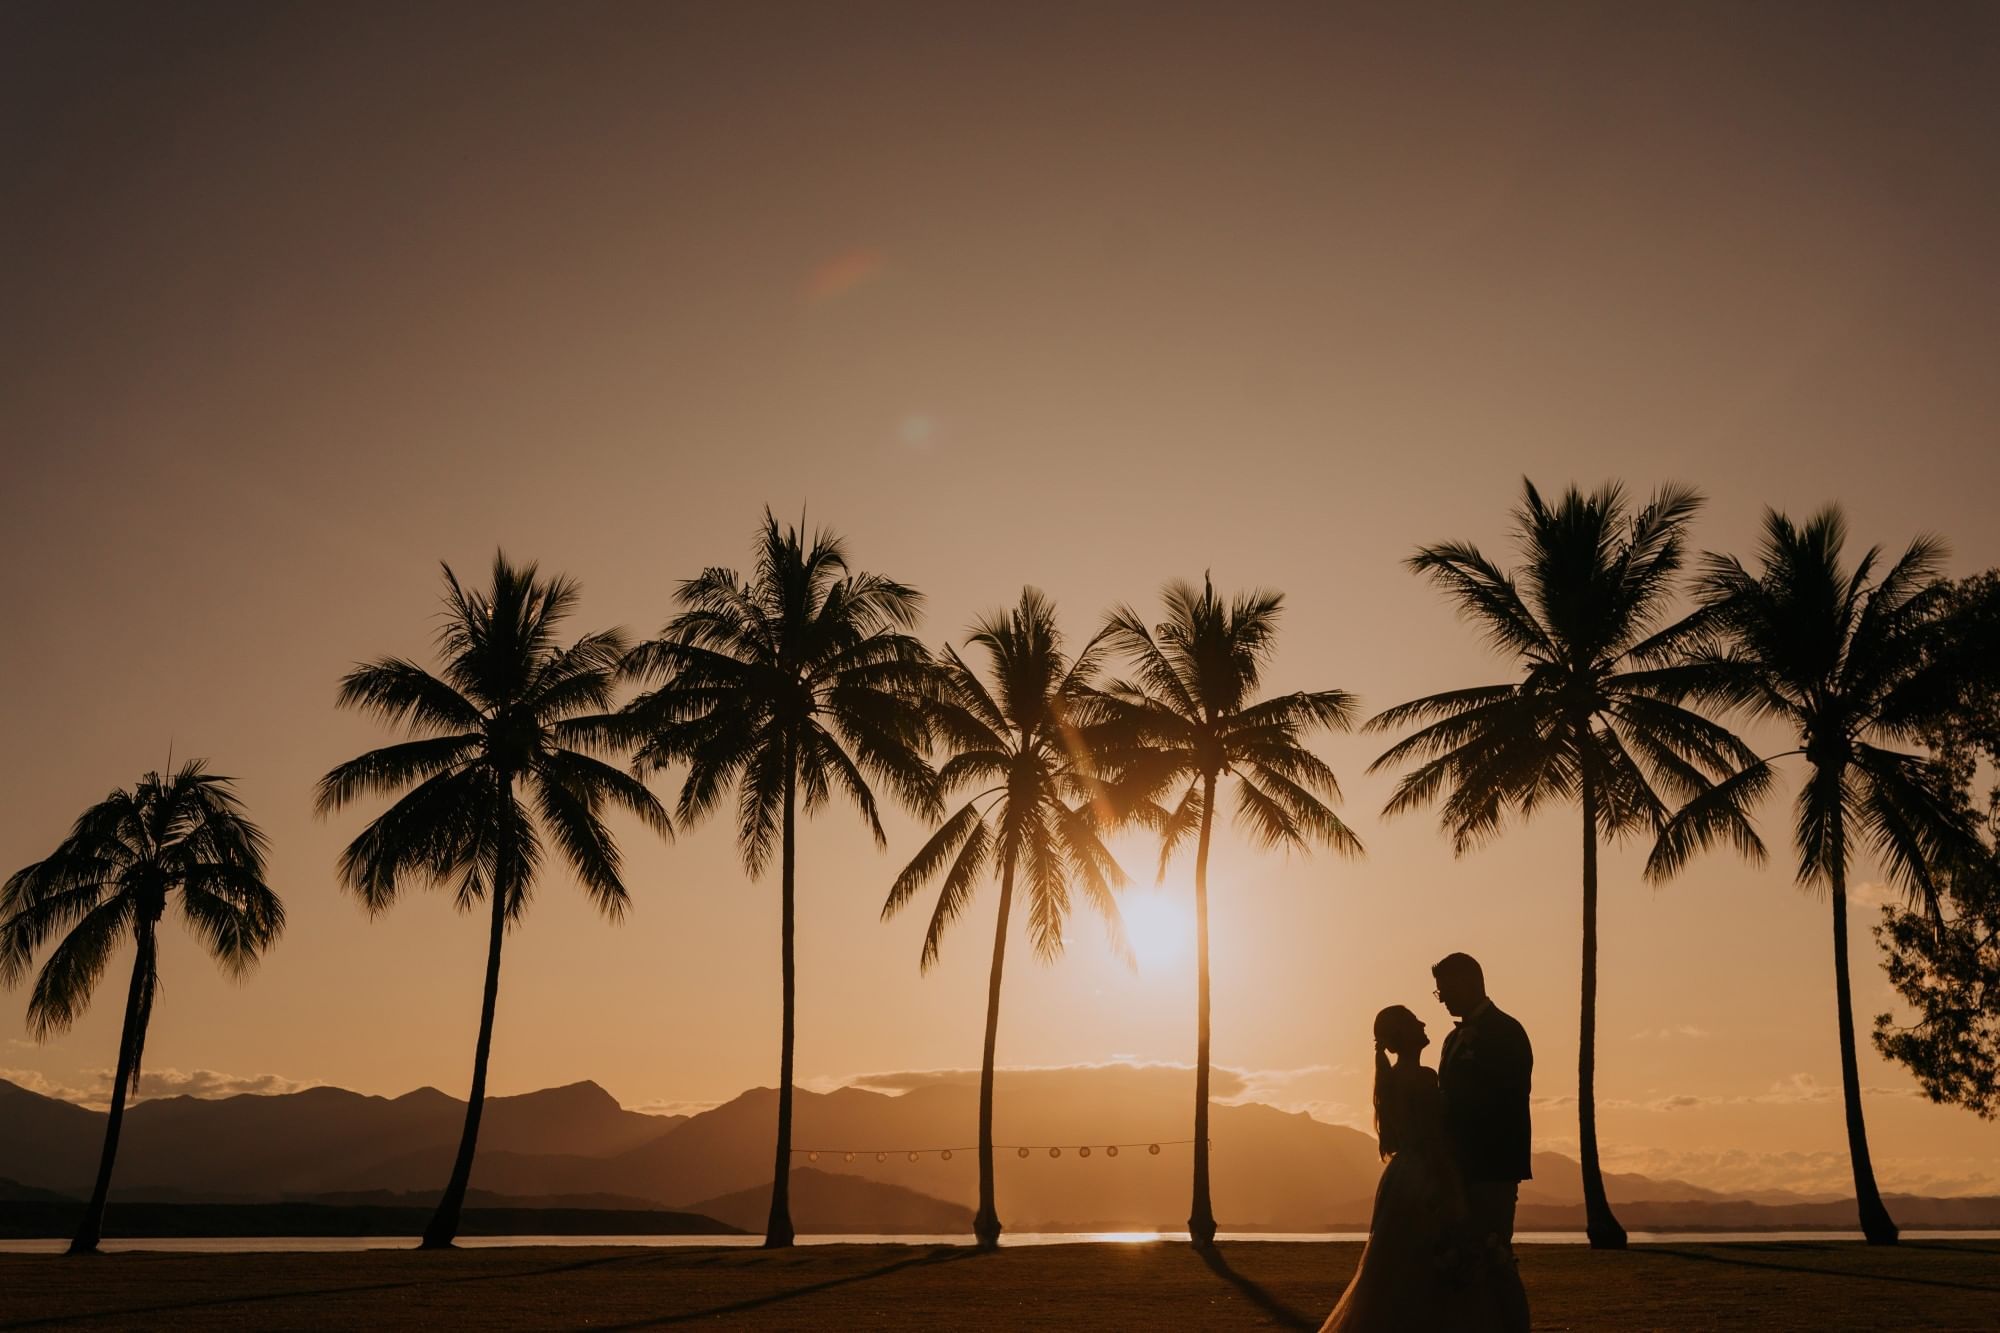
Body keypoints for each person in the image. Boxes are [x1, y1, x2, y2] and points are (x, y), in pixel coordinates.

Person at [1319, 1005, 1505, 1332]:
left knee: (1393, 1267)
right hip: (1426, 1173)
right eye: (1414, 1021)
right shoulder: (1422, 1077)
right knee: (1424, 1263)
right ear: (1403, 1035)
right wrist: (1451, 1188)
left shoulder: (1391, 1080)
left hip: (1401, 1177)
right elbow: (1434, 1137)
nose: (1422, 1023)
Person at [1433, 951, 1533, 1333]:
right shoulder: (1450, 1041)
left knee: (1494, 1258)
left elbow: (1508, 1099)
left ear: (1470, 983)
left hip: (1492, 1168)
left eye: (1445, 990)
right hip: (1457, 1171)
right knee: (1461, 1263)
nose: (1443, 1000)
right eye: (1438, 993)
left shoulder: (1507, 1032)